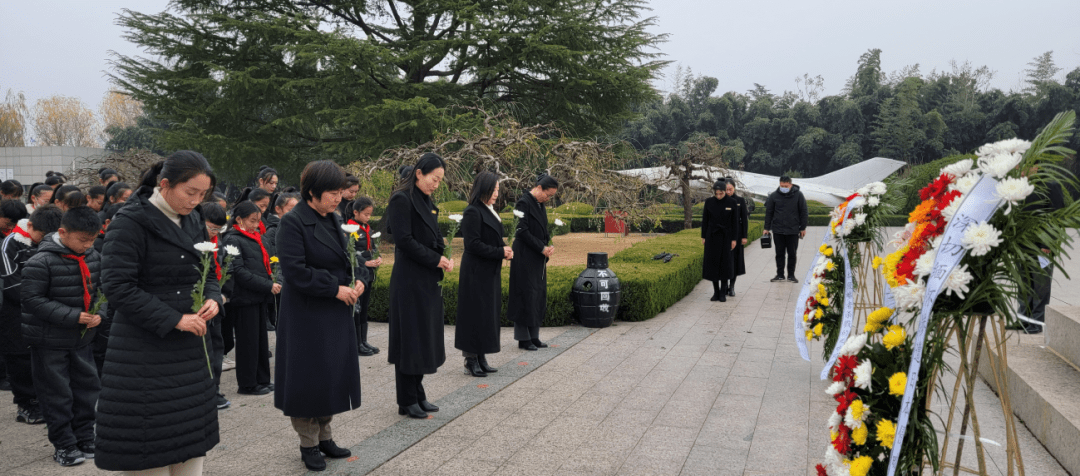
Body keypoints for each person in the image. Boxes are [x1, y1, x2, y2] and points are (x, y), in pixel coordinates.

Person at [96, 151, 222, 474]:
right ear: (164, 184)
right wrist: (175, 319)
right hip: (144, 349)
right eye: (189, 192)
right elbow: (117, 286)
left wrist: (213, 298)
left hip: (192, 349)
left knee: (191, 445)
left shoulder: (194, 218)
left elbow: (206, 270)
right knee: (148, 448)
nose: (195, 201)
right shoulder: (130, 221)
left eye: (202, 195)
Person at [274, 160, 365, 471]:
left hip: (334, 313)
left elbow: (354, 257)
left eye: (340, 192)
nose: (338, 198)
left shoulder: (335, 218)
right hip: (307, 316)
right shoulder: (294, 222)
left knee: (330, 375)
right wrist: (335, 288)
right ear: (311, 191)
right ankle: (308, 443)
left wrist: (360, 278)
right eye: (332, 193)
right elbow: (295, 272)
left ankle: (325, 435)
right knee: (308, 379)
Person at [22, 206, 103, 466]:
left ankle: (85, 437)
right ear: (62, 232)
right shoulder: (40, 261)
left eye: (92, 239)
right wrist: (73, 316)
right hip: (49, 341)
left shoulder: (93, 255)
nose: (88, 245)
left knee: (86, 391)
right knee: (57, 394)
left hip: (83, 339)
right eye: (83, 240)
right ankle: (64, 444)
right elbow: (32, 300)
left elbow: (105, 290)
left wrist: (100, 312)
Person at [386, 152, 450, 419]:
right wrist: (436, 258)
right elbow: (404, 241)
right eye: (433, 179)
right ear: (419, 173)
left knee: (423, 338)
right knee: (409, 339)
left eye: (439, 181)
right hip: (410, 280)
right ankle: (406, 398)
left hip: (426, 279)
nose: (435, 185)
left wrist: (442, 251)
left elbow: (432, 233)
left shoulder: (426, 200)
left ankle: (418, 393)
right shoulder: (402, 199)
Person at [1, 206, 63, 427]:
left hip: (45, 308)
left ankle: (44, 400)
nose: (43, 242)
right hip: (15, 310)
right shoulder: (10, 244)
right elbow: (10, 282)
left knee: (44, 358)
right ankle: (26, 404)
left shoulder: (54, 243)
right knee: (20, 358)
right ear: (30, 226)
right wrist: (39, 301)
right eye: (41, 237)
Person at [456, 171, 511, 377]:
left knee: (486, 315)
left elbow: (492, 237)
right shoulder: (473, 211)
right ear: (484, 189)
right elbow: (472, 244)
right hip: (475, 272)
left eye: (498, 190)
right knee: (474, 315)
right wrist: (499, 252)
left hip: (489, 271)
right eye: (494, 189)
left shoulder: (489, 210)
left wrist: (505, 248)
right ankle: (470, 359)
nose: (497, 194)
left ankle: (481, 356)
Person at [223, 201, 279, 395]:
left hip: (258, 296)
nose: (256, 225)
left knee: (261, 342)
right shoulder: (232, 239)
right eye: (252, 220)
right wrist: (267, 285)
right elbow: (238, 271)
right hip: (243, 298)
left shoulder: (256, 237)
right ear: (239, 219)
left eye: (258, 220)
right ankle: (247, 384)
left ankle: (262, 379)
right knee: (248, 343)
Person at [508, 174, 558, 350]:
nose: (548, 198)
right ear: (539, 188)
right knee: (525, 295)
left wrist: (548, 244)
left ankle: (534, 335)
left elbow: (542, 229)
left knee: (537, 295)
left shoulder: (540, 204)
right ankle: (523, 338)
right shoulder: (524, 202)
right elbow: (521, 231)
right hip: (524, 256)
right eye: (548, 194)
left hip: (537, 256)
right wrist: (541, 247)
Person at [1018, 179, 1066, 334]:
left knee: (1040, 284)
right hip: (1021, 245)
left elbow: (1057, 216)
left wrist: (1048, 244)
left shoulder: (1051, 185)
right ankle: (1024, 319)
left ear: (1036, 166)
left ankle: (1036, 322)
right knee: (1024, 283)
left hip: (1042, 246)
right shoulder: (1018, 185)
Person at [198, 202, 230, 409]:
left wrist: (223, 295)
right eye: (211, 228)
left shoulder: (220, 245)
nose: (214, 233)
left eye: (219, 229)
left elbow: (227, 273)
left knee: (216, 349)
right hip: (196, 309)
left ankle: (214, 388)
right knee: (201, 352)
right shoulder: (192, 244)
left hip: (215, 305)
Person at [347, 196, 382, 357]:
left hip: (368, 273)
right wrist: (365, 263)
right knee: (357, 307)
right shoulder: (349, 228)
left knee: (365, 306)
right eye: (366, 214)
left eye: (370, 214)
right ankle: (356, 342)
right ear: (356, 212)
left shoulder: (367, 228)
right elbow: (350, 251)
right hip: (357, 272)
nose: (368, 217)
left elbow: (372, 247)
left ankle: (364, 340)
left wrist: (377, 257)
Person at [764, 176, 808, 283]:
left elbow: (804, 212)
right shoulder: (774, 196)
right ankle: (780, 275)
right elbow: (769, 212)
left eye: (786, 186)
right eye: (781, 186)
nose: (783, 188)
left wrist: (803, 227)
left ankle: (791, 275)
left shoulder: (798, 195)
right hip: (778, 230)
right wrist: (766, 228)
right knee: (779, 253)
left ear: (790, 185)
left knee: (792, 253)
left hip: (793, 230)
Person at [701, 179, 739, 302]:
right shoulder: (709, 202)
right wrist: (703, 236)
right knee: (713, 264)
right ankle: (715, 292)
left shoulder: (732, 202)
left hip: (726, 237)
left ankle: (723, 291)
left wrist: (734, 239)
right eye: (716, 193)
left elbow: (735, 223)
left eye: (721, 193)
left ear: (725, 192)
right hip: (712, 236)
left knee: (725, 264)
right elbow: (705, 220)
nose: (718, 196)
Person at [725, 179, 749, 296]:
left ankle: (732, 286)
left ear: (734, 188)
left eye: (730, 189)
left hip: (737, 235)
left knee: (735, 261)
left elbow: (744, 219)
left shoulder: (740, 200)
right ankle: (724, 286)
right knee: (724, 261)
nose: (728, 192)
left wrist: (744, 236)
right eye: (726, 189)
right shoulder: (721, 200)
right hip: (724, 234)